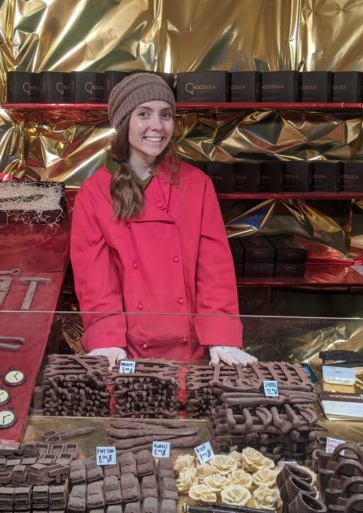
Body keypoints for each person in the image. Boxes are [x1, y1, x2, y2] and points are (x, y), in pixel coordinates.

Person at [70, 72, 257, 368]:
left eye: (166, 115)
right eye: (144, 114)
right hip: (126, 352)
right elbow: (96, 281)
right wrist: (106, 340)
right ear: (123, 122)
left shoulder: (198, 185)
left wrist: (222, 337)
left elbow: (214, 270)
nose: (157, 126)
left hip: (193, 349)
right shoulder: (94, 194)